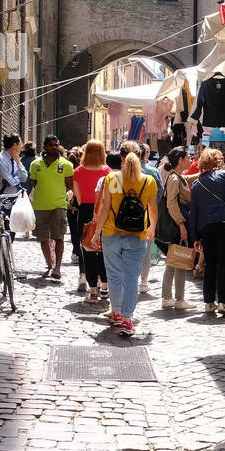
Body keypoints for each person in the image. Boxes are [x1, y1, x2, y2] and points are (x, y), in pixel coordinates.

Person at [89, 147, 158, 338]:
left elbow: (105, 208)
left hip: (112, 232)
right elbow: (153, 209)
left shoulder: (113, 179)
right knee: (131, 277)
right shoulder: (148, 181)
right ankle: (127, 318)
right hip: (137, 234)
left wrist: (97, 232)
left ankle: (116, 311)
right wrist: (152, 228)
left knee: (114, 275)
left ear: (122, 163)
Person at [188, 147, 225, 316]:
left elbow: (193, 212)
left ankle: (209, 302)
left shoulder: (197, 183)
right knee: (224, 263)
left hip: (205, 226)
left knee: (210, 263)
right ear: (219, 161)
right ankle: (223, 302)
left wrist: (195, 237)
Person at [28, 134, 74, 281]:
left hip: (59, 204)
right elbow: (33, 184)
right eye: (52, 145)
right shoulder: (35, 165)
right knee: (43, 238)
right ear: (45, 147)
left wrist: (62, 196)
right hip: (40, 205)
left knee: (59, 236)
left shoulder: (66, 165)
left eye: (57, 144)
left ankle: (57, 268)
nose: (55, 147)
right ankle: (49, 265)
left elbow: (69, 184)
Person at [121, 140, 163, 299]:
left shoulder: (115, 177)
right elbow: (158, 196)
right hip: (144, 219)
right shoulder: (151, 174)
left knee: (124, 253)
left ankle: (125, 284)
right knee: (144, 252)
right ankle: (143, 281)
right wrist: (154, 221)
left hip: (120, 221)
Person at [157, 146, 196, 311]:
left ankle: (174, 298)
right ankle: (173, 298)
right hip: (176, 225)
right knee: (176, 261)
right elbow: (171, 203)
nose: (190, 160)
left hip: (177, 225)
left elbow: (186, 180)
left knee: (176, 261)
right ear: (180, 160)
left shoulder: (177, 177)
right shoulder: (174, 179)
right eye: (188, 157)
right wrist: (181, 224)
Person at [73, 140, 111, 303]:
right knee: (102, 249)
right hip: (102, 212)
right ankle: (104, 285)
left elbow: (78, 198)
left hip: (85, 211)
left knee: (86, 246)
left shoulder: (78, 171)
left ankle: (89, 283)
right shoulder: (108, 171)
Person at [66, 145, 86, 291]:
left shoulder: (77, 172)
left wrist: (74, 204)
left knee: (77, 235)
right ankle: (99, 282)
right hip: (89, 208)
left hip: (77, 206)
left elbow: (72, 190)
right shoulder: (105, 171)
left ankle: (83, 274)